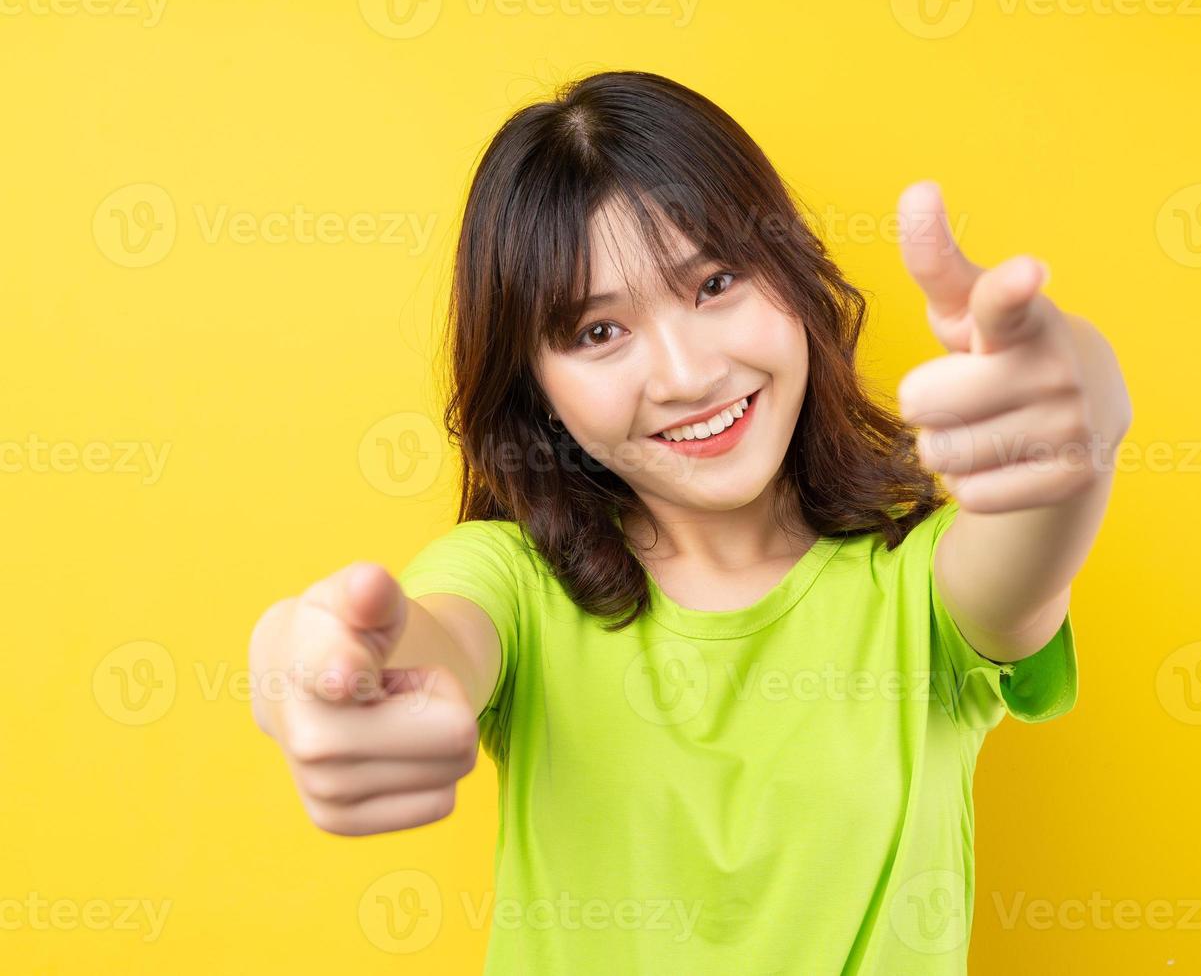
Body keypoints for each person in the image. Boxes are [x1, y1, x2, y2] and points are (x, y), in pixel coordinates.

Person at [248, 69, 1131, 974]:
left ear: (793, 276)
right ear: (540, 393)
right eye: (598, 332)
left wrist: (1081, 400)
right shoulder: (516, 584)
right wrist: (304, 669)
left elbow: (1038, 519)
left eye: (714, 282)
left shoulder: (927, 589)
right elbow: (416, 646)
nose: (682, 373)